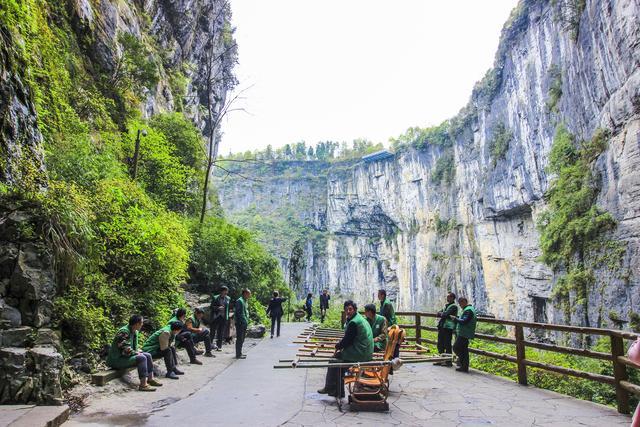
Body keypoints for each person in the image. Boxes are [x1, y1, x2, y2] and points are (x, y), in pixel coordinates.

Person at [317, 301, 373, 398]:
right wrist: (340, 346)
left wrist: (337, 346)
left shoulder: (354, 322)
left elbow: (347, 341)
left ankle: (330, 387)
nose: (348, 311)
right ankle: (338, 391)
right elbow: (348, 339)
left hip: (360, 352)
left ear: (355, 309)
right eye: (346, 309)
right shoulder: (359, 318)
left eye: (350, 309)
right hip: (365, 351)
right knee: (338, 361)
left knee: (334, 361)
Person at [107, 314, 162, 391]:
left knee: (148, 355)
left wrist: (137, 351)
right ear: (136, 324)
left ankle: (150, 379)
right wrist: (136, 353)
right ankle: (143, 385)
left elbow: (133, 348)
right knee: (141, 358)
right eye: (141, 323)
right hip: (117, 360)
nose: (142, 324)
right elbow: (125, 350)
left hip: (126, 357)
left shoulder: (134, 331)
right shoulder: (124, 332)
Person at [450, 297, 477, 373]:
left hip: (464, 333)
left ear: (465, 302)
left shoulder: (468, 310)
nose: (460, 305)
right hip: (465, 332)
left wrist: (455, 318)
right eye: (459, 303)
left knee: (456, 348)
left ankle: (464, 365)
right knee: (464, 350)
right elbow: (464, 319)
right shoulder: (468, 309)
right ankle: (464, 367)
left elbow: (464, 321)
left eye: (461, 303)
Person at [435, 292, 458, 366]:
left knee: (447, 344)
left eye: (448, 297)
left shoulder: (454, 306)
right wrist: (442, 314)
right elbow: (440, 313)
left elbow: (445, 314)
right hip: (442, 327)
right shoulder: (447, 306)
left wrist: (442, 314)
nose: (447, 298)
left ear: (452, 298)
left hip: (448, 328)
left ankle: (448, 362)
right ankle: (441, 360)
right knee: (440, 344)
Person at [210, 286, 231, 351]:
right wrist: (218, 308)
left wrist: (227, 316)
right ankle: (210, 345)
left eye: (227, 291)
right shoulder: (215, 297)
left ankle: (219, 346)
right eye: (225, 291)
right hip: (216, 316)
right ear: (222, 291)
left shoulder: (228, 298)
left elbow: (228, 308)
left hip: (224, 317)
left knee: (221, 332)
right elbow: (211, 307)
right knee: (213, 331)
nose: (226, 292)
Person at [234, 289, 251, 359]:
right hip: (240, 323)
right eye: (248, 294)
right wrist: (243, 321)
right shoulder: (239, 301)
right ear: (244, 293)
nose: (249, 296)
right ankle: (238, 354)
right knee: (240, 338)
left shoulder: (245, 301)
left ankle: (240, 352)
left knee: (242, 338)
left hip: (244, 322)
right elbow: (239, 313)